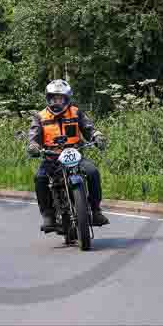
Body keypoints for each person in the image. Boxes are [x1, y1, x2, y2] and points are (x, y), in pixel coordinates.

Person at [27, 79, 110, 232]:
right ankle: (48, 215)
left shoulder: (76, 112)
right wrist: (33, 146)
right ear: (48, 98)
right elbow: (34, 136)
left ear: (67, 98)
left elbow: (89, 128)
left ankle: (96, 211)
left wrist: (97, 136)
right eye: (54, 97)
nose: (57, 101)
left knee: (92, 172)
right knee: (40, 178)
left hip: (75, 156)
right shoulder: (40, 117)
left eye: (61, 98)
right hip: (51, 158)